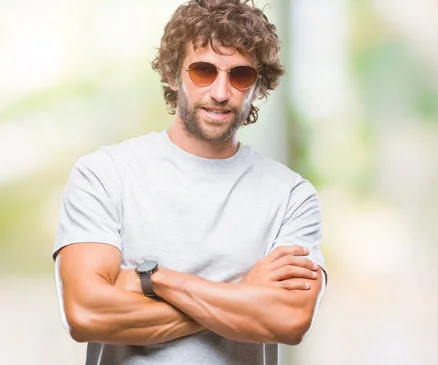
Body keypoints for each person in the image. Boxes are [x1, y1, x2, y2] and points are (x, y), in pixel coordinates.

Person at [52, 1, 327, 364]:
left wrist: (152, 279)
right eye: (203, 70)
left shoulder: (291, 195)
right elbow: (87, 314)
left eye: (241, 75)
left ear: (258, 87)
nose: (220, 91)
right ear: (171, 74)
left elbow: (289, 320)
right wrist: (244, 293)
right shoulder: (104, 174)